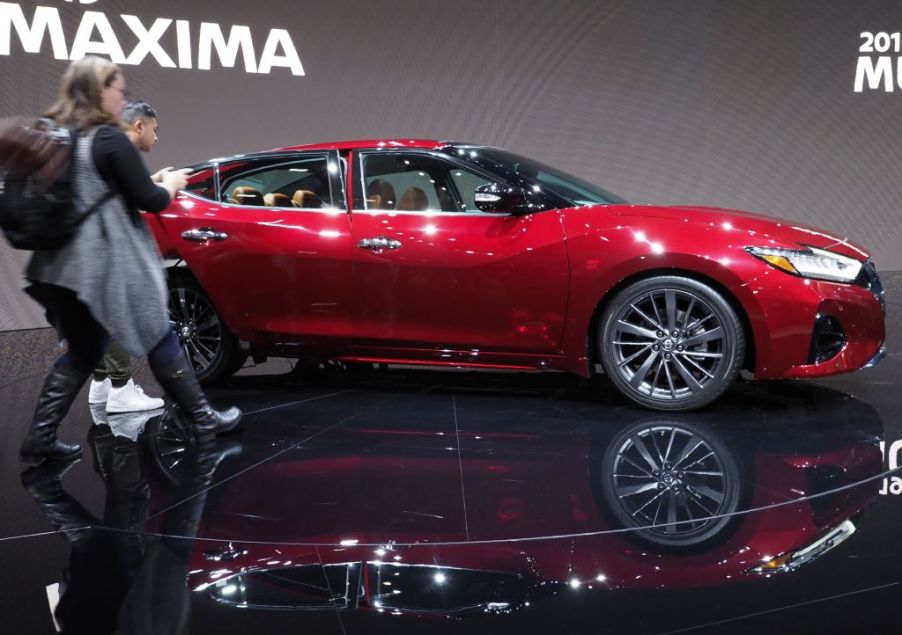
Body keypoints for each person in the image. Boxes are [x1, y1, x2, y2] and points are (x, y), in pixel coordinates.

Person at [19, 55, 240, 464]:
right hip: (103, 266)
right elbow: (150, 201)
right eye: (118, 88)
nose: (122, 97)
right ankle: (202, 418)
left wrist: (144, 181)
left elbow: (97, 192)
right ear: (99, 90)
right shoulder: (109, 138)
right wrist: (169, 184)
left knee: (85, 351)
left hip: (63, 267)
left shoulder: (71, 136)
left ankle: (39, 438)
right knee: (160, 333)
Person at [88, 101, 168, 413]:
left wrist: (151, 181)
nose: (157, 138)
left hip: (91, 249)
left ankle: (102, 382)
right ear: (139, 126)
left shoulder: (98, 147)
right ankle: (120, 386)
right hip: (108, 249)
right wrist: (167, 187)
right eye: (155, 130)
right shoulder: (118, 150)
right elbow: (146, 200)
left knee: (102, 317)